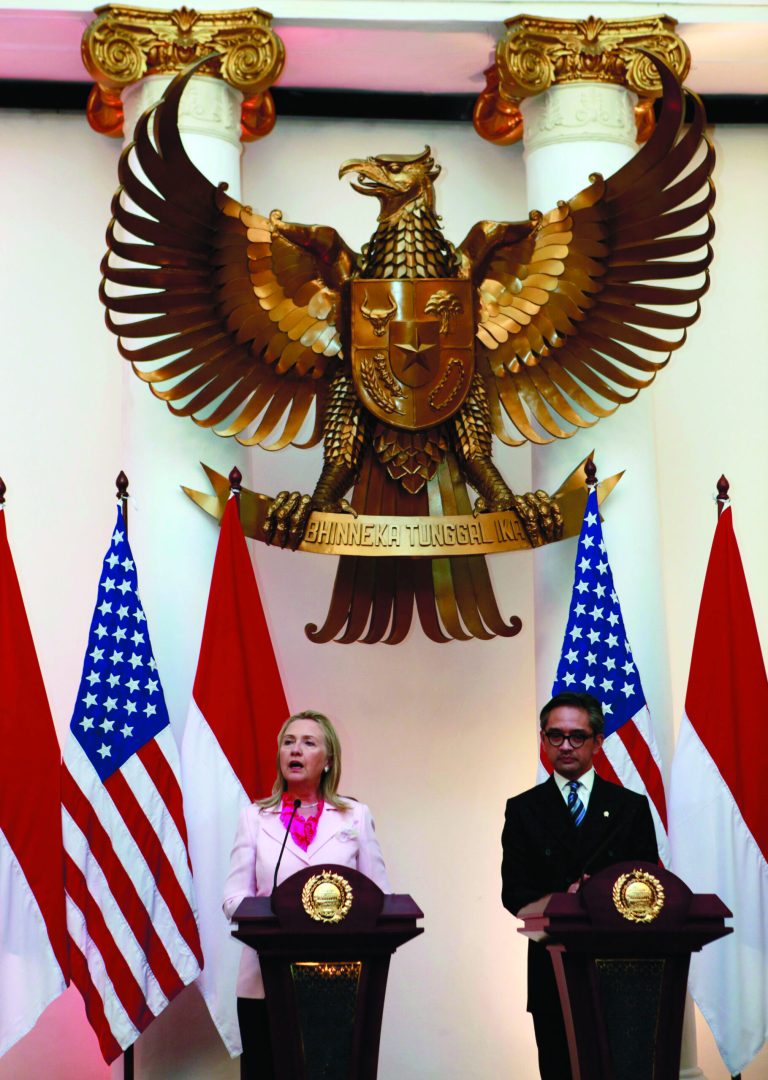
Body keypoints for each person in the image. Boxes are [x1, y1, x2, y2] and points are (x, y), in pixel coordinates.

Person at [223, 709, 391, 1080]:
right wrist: (281, 915)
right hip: (265, 983)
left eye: (308, 743)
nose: (295, 750)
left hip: (338, 980)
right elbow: (233, 899)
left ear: (328, 760)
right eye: (288, 742)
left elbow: (379, 898)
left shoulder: (355, 816)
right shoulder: (255, 817)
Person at [501, 691, 659, 1080]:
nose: (566, 745)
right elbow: (513, 892)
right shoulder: (523, 809)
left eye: (577, 736)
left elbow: (648, 885)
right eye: (556, 735)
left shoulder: (629, 807)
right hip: (552, 971)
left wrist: (602, 897)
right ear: (543, 740)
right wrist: (560, 901)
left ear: (597, 742)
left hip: (620, 970)